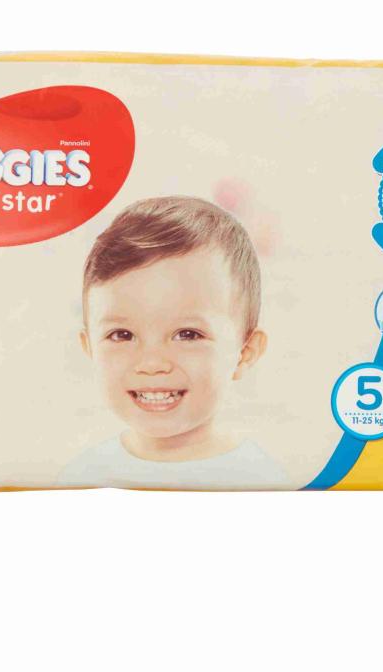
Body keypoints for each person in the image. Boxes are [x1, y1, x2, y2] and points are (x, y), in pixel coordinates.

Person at [58, 196, 287, 489]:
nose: (152, 363)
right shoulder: (83, 476)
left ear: (245, 352)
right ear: (89, 346)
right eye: (122, 335)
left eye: (187, 334)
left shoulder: (260, 481)